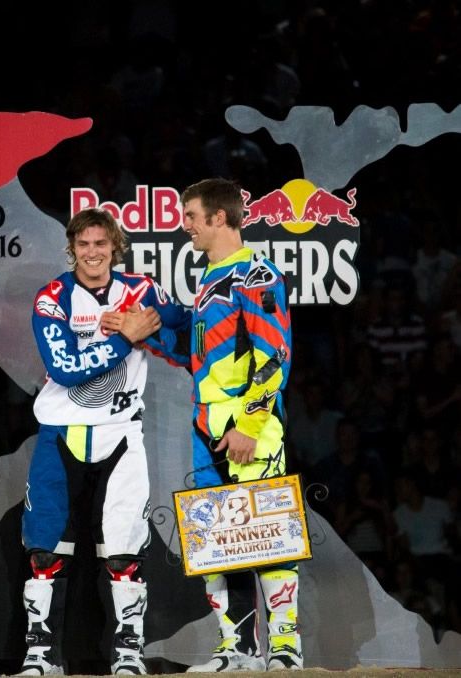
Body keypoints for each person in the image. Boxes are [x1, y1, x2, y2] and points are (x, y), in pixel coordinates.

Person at [21, 207, 190, 675]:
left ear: (115, 246)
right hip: (61, 432)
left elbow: (186, 328)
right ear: (71, 248)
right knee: (45, 549)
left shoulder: (141, 291)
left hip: (121, 435)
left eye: (101, 243)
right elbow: (64, 368)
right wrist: (125, 338)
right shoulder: (52, 297)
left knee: (124, 549)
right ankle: (39, 655)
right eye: (83, 244)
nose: (92, 253)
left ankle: (129, 653)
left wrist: (151, 336)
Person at [165, 178, 299, 671]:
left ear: (219, 218)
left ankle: (286, 649)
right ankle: (236, 650)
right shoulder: (210, 278)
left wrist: (249, 422)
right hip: (207, 427)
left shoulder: (255, 275)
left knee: (270, 535)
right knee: (218, 541)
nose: (186, 227)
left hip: (249, 429)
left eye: (191, 216)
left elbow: (276, 354)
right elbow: (201, 357)